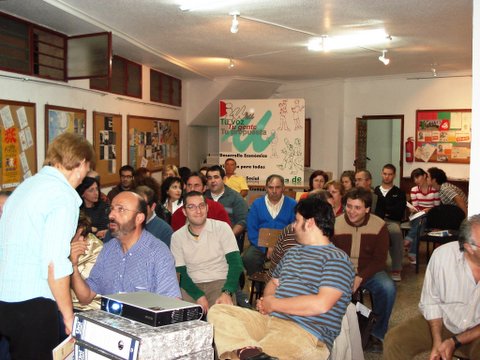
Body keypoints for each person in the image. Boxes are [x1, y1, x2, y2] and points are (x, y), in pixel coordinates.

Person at [207, 197, 355, 360]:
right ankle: (248, 351)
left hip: (304, 332)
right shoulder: (292, 252)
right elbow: (273, 282)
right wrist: (267, 302)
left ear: (310, 223)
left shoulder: (337, 259)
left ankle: (244, 352)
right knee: (219, 311)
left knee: (234, 354)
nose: (293, 226)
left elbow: (321, 304)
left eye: (297, 221)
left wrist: (274, 304)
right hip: (270, 320)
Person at [0, 133, 94, 358]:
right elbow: (55, 263)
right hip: (33, 304)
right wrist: (69, 317)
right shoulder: (63, 196)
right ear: (80, 164)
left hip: (5, 299)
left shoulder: (26, 186)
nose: (86, 176)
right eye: (88, 168)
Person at [384, 215, 480, 360]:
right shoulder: (443, 256)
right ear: (468, 247)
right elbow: (431, 302)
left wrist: (454, 342)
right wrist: (437, 341)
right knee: (394, 341)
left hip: (476, 330)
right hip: (444, 321)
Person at [70, 191, 181, 305]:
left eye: (121, 209)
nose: (111, 215)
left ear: (139, 218)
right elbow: (85, 297)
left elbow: (170, 303)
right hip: (109, 320)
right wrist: (73, 266)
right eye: (111, 209)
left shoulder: (158, 252)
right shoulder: (108, 249)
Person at [333, 188, 396, 353]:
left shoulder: (379, 225)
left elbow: (379, 260)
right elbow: (330, 254)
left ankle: (377, 333)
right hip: (342, 271)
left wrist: (360, 277)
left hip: (370, 271)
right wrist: (346, 275)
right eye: (349, 206)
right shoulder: (335, 223)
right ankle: (335, 331)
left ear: (367, 209)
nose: (351, 211)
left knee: (387, 288)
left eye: (357, 207)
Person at [171, 191, 243, 313]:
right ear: (184, 211)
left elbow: (236, 264)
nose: (198, 211)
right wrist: (198, 295)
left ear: (207, 208)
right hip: (191, 284)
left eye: (201, 206)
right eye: (191, 207)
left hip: (220, 282)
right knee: (182, 319)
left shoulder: (222, 228)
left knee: (223, 319)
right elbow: (180, 272)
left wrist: (227, 292)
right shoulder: (177, 237)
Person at [266, 190, 334, 282]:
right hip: (284, 283)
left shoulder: (335, 256)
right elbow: (288, 277)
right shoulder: (296, 233)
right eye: (330, 208)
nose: (333, 213)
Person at [244, 174, 296, 278]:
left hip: (285, 246)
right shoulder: (257, 204)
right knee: (248, 258)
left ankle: (282, 288)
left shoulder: (292, 204)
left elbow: (294, 229)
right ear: (266, 188)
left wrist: (277, 247)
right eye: (271, 187)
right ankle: (260, 287)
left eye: (278, 187)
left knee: (293, 259)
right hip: (260, 245)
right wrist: (266, 247)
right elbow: (252, 230)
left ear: (283, 188)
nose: (274, 190)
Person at [374, 164, 406, 282]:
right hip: (376, 220)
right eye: (385, 174)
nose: (387, 177)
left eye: (390, 174)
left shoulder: (399, 192)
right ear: (382, 174)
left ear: (394, 175)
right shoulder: (375, 191)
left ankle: (396, 268)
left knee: (396, 232)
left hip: (392, 222)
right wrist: (387, 210)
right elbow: (373, 209)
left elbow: (399, 212)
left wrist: (385, 211)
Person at [205, 165, 248, 250]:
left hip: (228, 240)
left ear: (224, 179)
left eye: (216, 177)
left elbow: (242, 221)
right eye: (210, 178)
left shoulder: (236, 197)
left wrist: (229, 237)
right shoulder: (202, 197)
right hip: (205, 240)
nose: (213, 181)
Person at [404, 168, 440, 264]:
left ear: (424, 176)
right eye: (414, 179)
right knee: (421, 221)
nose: (415, 181)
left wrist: (428, 210)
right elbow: (415, 207)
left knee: (422, 221)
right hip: (417, 216)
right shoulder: (414, 190)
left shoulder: (434, 190)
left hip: (431, 216)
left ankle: (409, 240)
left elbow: (437, 207)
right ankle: (411, 250)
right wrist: (412, 209)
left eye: (417, 177)